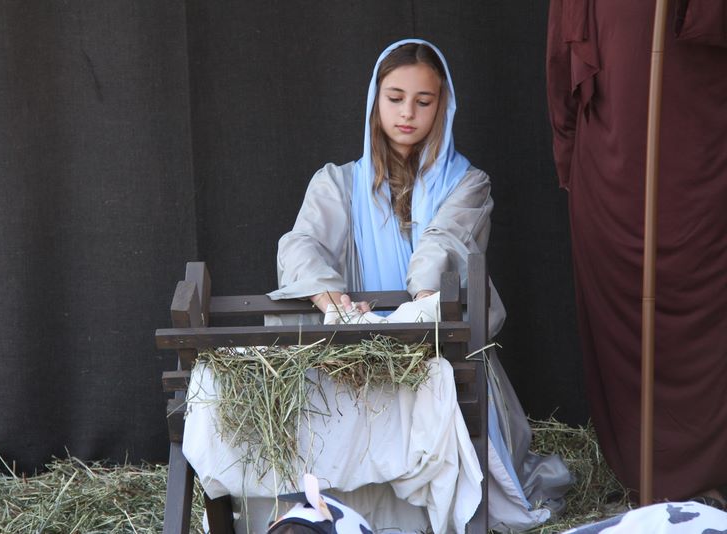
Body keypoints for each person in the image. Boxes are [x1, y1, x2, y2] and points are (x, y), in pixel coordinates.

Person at [265, 39, 571, 531]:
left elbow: (444, 241)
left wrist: (424, 306)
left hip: (439, 348)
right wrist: (331, 298)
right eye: (395, 98)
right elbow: (302, 244)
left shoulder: (467, 182)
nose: (408, 112)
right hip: (355, 352)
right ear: (375, 101)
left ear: (442, 106)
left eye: (423, 101)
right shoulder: (337, 183)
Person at [546, 0, 727, 505]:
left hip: (705, 167)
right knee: (625, 326)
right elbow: (563, 61)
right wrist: (569, 153)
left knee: (706, 330)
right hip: (613, 173)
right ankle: (641, 480)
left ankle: (702, 480)